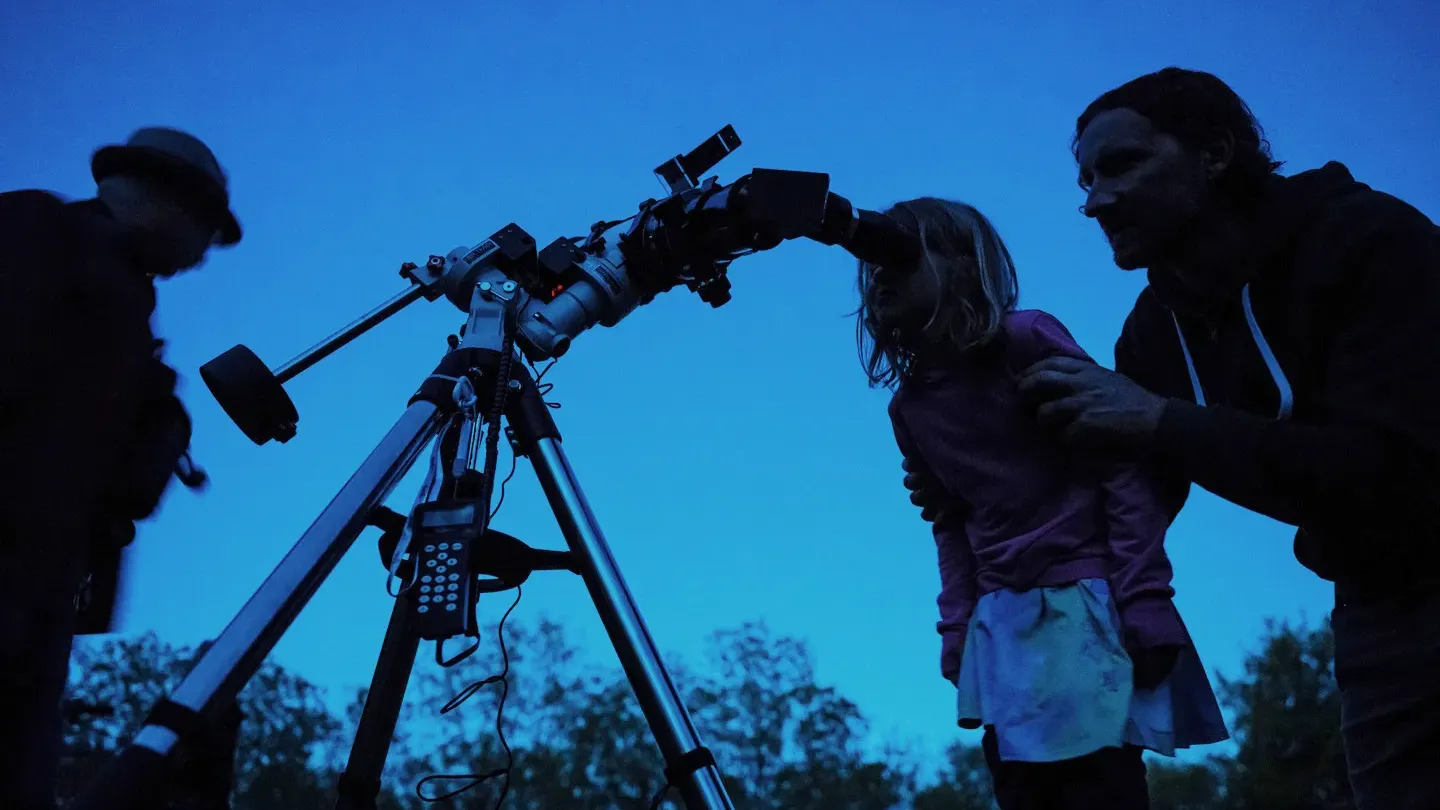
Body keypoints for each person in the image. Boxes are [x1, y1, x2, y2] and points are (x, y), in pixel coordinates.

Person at [902, 67, 1440, 809]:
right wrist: (982, 474)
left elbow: (1396, 471)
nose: (1096, 201)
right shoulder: (1153, 333)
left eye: (1122, 165)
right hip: (1374, 607)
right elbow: (1114, 489)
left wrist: (1161, 422)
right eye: (1085, 180)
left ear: (1215, 155)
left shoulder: (1370, 241)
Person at [863, 196, 1229, 809]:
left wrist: (1144, 596)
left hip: (1085, 607)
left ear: (960, 264)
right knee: (1021, 790)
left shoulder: (1025, 340)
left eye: (896, 255)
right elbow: (951, 522)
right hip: (1001, 623)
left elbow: (1120, 462)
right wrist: (956, 624)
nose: (878, 274)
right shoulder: (910, 409)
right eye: (869, 264)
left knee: (1096, 788)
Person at [0, 127, 242, 810]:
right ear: (176, 205)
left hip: (43, 590)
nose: (198, 262)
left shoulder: (124, 306)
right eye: (206, 236)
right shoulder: (36, 232)